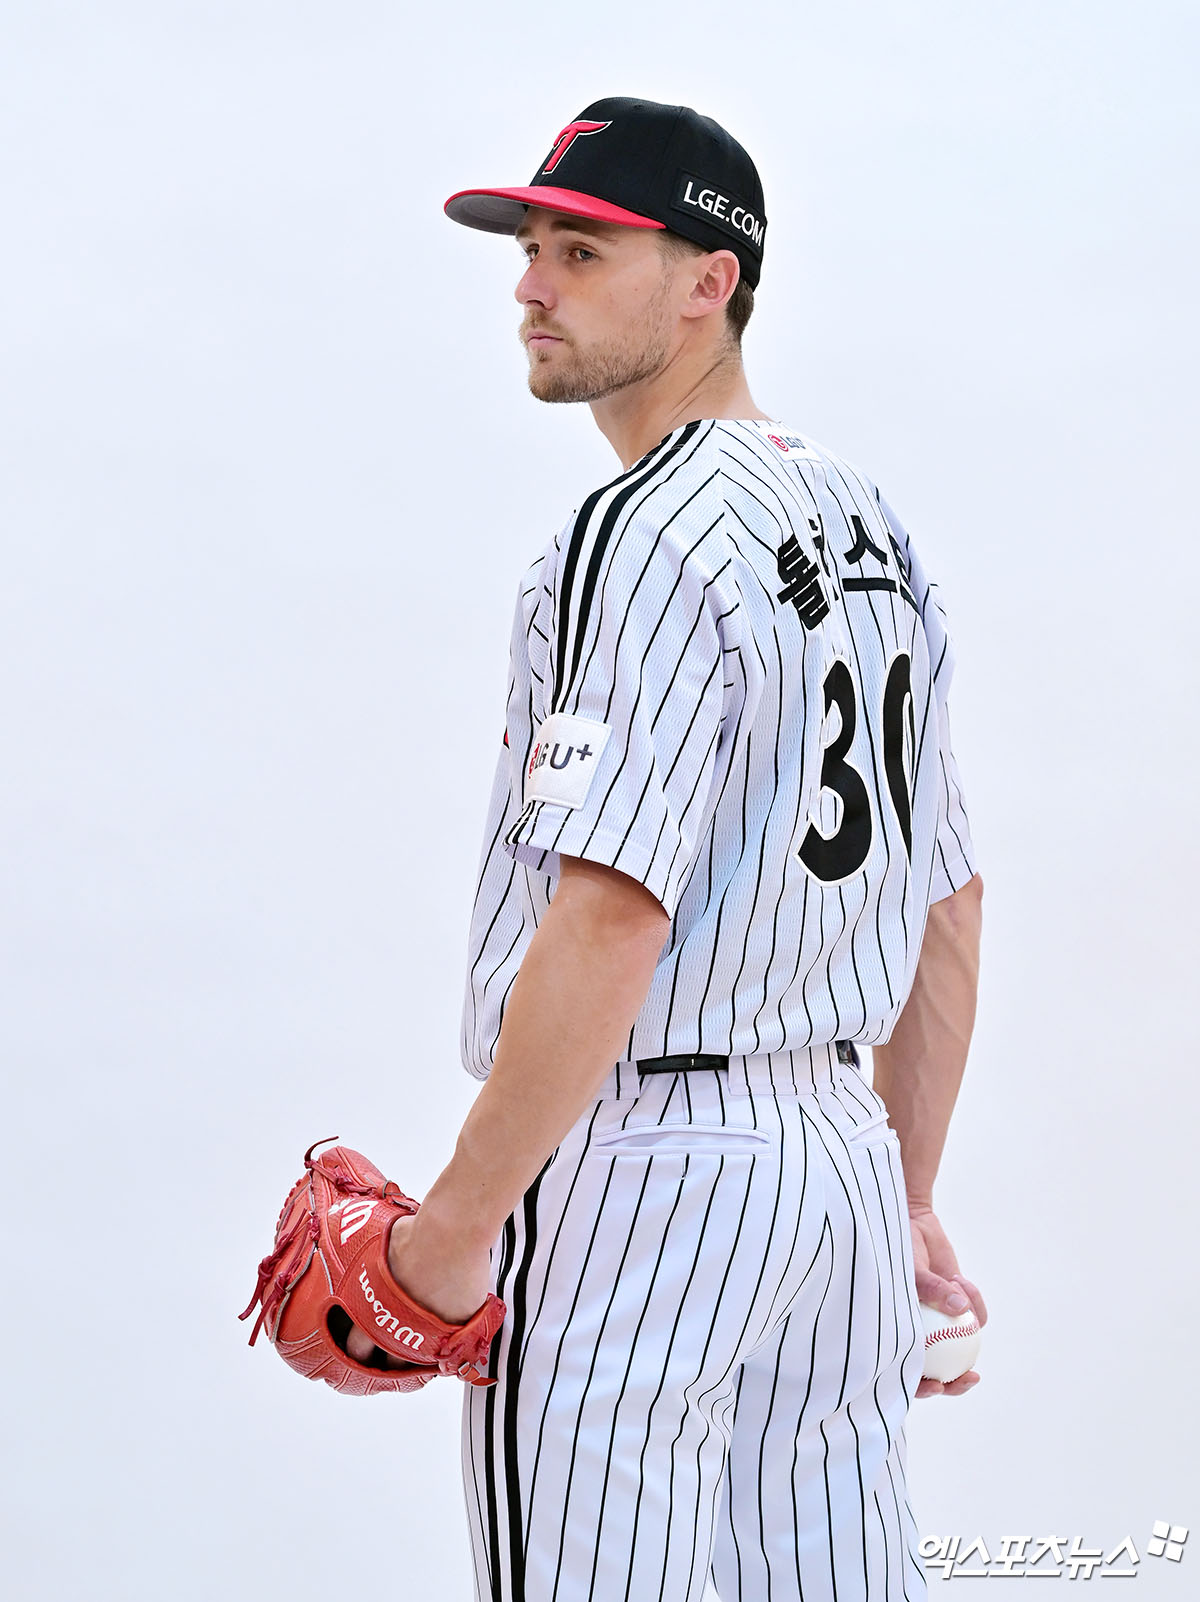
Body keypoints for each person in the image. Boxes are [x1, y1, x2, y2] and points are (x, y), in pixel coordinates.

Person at [348, 95, 986, 1602]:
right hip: (838, 1168)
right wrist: (905, 1190)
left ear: (712, 280)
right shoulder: (870, 522)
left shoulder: (634, 532)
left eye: (583, 251)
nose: (531, 284)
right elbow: (947, 898)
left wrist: (455, 1229)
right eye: (530, 248)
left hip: (645, 1170)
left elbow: (610, 916)